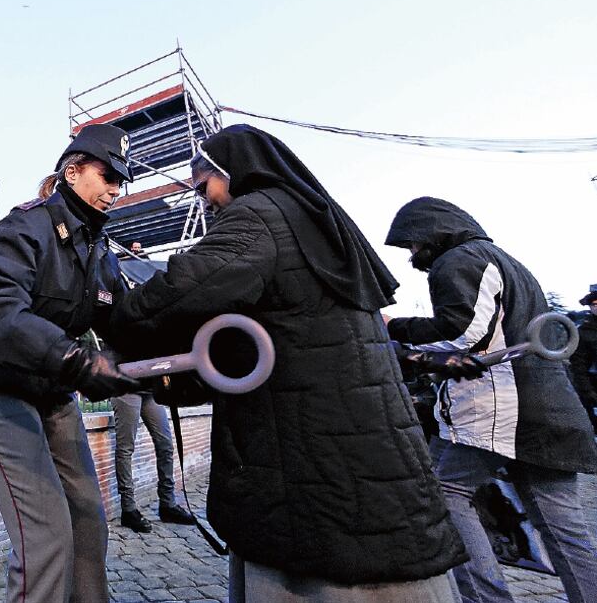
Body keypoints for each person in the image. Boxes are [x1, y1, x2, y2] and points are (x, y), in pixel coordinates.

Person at [110, 125, 467, 602]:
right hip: (360, 448)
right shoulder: (308, 220)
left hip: (309, 454)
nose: (205, 202)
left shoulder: (258, 215)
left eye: (204, 187)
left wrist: (112, 321)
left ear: (230, 171)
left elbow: (180, 291)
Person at [0, 123, 141, 603]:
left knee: (88, 519)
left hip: (52, 389)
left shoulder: (99, 250)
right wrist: (77, 361)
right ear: (73, 170)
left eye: (122, 181)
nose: (116, 190)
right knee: (46, 535)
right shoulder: (26, 226)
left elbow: (128, 320)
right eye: (108, 177)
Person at [385, 197, 597, 603]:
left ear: (430, 232)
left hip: (500, 411)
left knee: (444, 491)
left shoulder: (459, 259)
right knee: (567, 535)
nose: (412, 254)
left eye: (412, 244)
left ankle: (488, 599)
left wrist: (396, 328)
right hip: (549, 410)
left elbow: (465, 337)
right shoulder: (508, 261)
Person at [110, 389, 196, 533]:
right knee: (126, 449)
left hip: (150, 389)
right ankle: (128, 509)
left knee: (165, 445)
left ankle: (168, 504)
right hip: (125, 386)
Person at [569, 285, 597, 432]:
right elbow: (578, 364)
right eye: (594, 304)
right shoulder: (583, 331)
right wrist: (588, 392)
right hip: (593, 386)